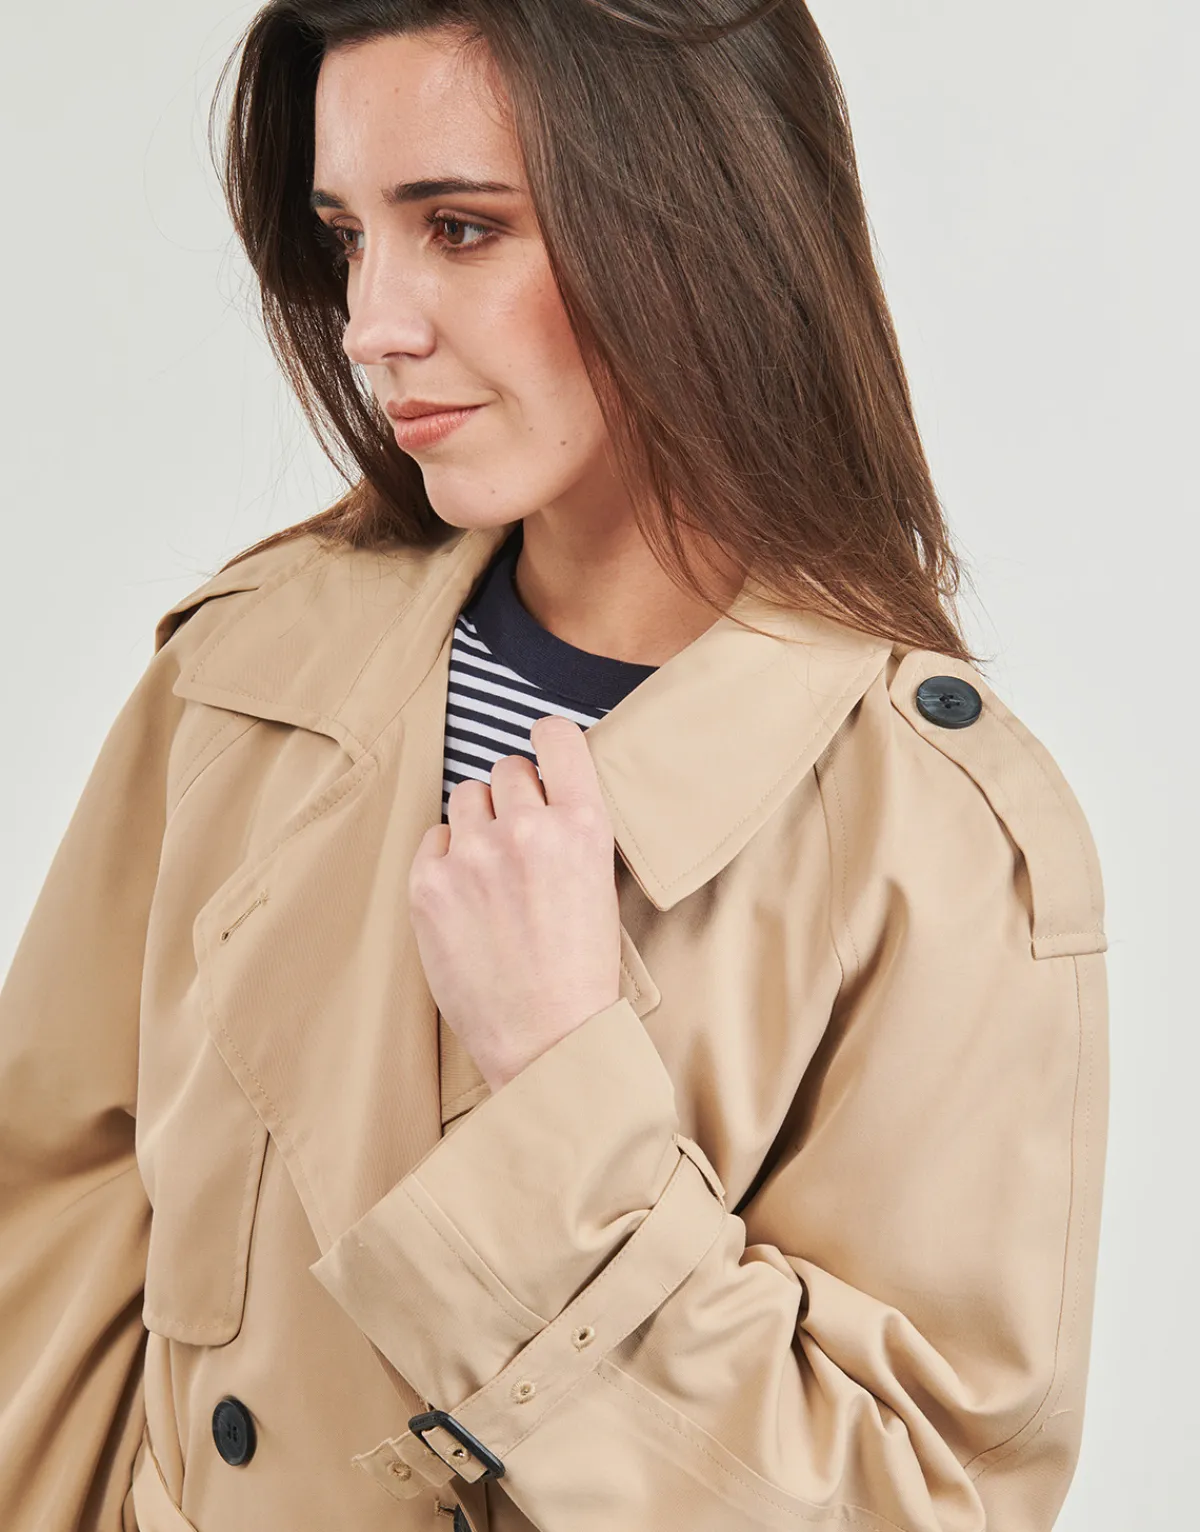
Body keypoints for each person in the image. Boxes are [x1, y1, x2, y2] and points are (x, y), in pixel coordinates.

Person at [0, 3, 1110, 1530]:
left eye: (460, 229)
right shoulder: (245, 677)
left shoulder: (935, 839)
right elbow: (48, 1254)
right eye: (347, 238)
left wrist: (560, 1078)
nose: (372, 324)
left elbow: (908, 1502)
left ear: (697, 231)